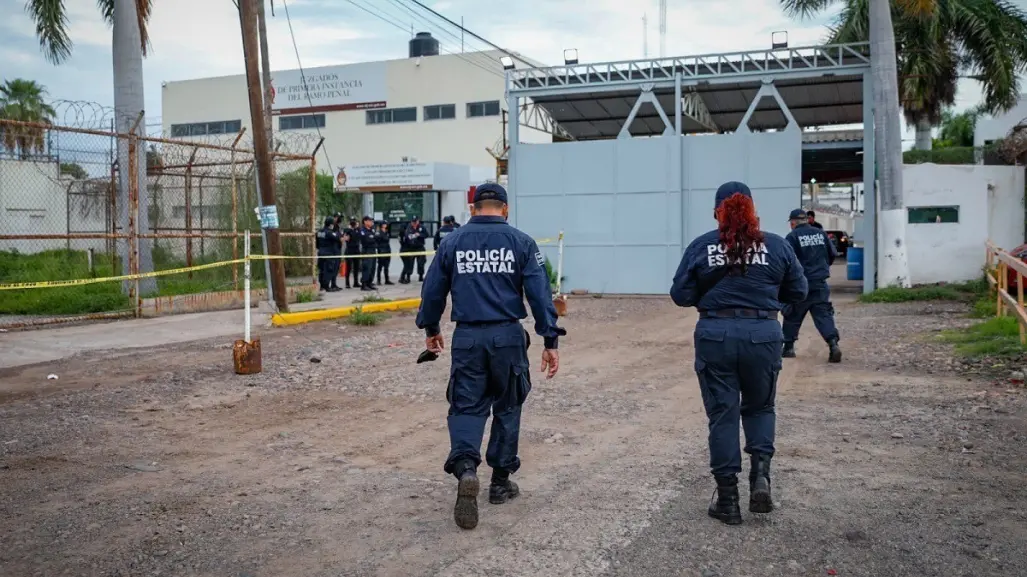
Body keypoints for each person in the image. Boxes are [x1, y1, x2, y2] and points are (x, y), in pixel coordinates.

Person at [416, 182, 566, 531]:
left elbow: (433, 289)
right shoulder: (522, 242)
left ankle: (467, 468)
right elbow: (541, 295)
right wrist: (550, 341)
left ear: (473, 208)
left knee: (467, 404)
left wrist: (431, 329)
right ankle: (499, 483)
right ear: (505, 208)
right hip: (508, 337)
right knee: (508, 404)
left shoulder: (451, 242)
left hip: (467, 337)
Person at [669, 181, 808, 526]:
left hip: (715, 335)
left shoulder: (702, 246)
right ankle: (760, 477)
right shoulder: (775, 245)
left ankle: (728, 501)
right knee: (760, 407)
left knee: (723, 415)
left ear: (718, 211)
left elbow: (681, 295)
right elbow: (799, 289)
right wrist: (769, 306)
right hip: (762, 334)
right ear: (752, 209)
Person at [783, 209, 842, 363]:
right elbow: (832, 254)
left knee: (792, 314)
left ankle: (788, 348)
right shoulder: (820, 234)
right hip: (820, 284)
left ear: (793, 222)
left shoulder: (792, 236)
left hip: (800, 285)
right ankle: (833, 343)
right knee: (823, 315)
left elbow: (787, 261)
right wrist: (822, 269)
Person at [315, 216, 341, 292]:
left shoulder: (319, 232)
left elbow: (317, 243)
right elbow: (337, 238)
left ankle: (322, 286)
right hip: (329, 253)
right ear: (330, 224)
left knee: (321, 270)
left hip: (321, 252)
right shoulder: (330, 232)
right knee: (329, 270)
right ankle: (326, 286)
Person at [400, 216, 428, 284]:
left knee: (421, 262)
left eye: (415, 222)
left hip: (420, 247)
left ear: (418, 221)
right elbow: (407, 236)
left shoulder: (422, 227)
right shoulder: (408, 227)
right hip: (411, 248)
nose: (414, 223)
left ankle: (421, 276)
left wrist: (419, 234)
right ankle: (408, 277)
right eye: (413, 222)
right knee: (410, 263)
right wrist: (413, 236)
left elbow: (426, 234)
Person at [357, 216, 378, 291]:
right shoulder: (362, 230)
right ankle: (364, 284)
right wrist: (373, 238)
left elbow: (376, 238)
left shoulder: (372, 230)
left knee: (372, 268)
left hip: (373, 250)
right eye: (369, 221)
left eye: (371, 221)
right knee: (367, 268)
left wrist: (373, 237)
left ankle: (369, 283)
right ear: (365, 222)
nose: (371, 222)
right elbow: (366, 240)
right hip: (367, 251)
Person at [343, 218, 362, 289]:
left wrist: (356, 228)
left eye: (355, 222)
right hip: (349, 250)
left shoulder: (358, 230)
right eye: (352, 222)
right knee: (348, 268)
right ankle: (347, 283)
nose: (354, 224)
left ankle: (356, 282)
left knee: (356, 267)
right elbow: (345, 237)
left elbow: (360, 234)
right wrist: (350, 228)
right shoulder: (347, 230)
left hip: (356, 250)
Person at [375, 221, 394, 286]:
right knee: (380, 266)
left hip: (387, 250)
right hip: (381, 250)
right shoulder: (378, 232)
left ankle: (387, 280)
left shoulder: (387, 232)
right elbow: (377, 242)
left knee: (386, 266)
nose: (386, 225)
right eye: (384, 224)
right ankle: (378, 280)